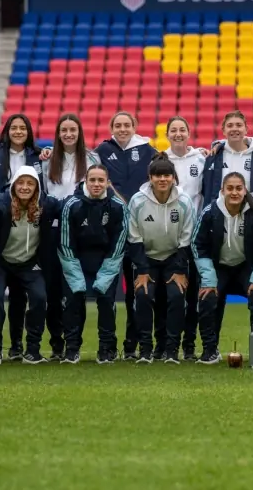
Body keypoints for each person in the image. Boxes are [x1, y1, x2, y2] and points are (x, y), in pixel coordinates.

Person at [33, 113, 99, 361]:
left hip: (80, 232)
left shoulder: (92, 158)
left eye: (73, 130)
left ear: (80, 132)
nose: (69, 134)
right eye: (64, 130)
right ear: (58, 134)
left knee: (74, 290)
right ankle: (56, 343)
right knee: (52, 290)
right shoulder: (47, 160)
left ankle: (74, 342)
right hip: (52, 231)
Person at [95, 111, 157, 360]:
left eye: (126, 125)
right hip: (109, 229)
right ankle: (107, 345)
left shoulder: (148, 151)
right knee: (108, 290)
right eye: (117, 125)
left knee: (135, 292)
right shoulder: (101, 150)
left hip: (139, 230)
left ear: (134, 127)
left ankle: (133, 345)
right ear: (111, 127)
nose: (122, 129)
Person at [192, 172, 253, 365]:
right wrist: (208, 278)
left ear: (245, 191)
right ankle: (210, 350)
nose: (234, 192)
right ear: (222, 191)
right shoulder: (210, 212)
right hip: (218, 267)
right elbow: (197, 245)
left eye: (238, 188)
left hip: (247, 267)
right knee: (207, 298)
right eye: (230, 188)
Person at [127, 153, 196, 364]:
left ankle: (171, 349)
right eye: (158, 176)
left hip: (174, 259)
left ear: (174, 177)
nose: (162, 179)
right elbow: (134, 237)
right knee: (144, 296)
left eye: (167, 175)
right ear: (150, 178)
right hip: (146, 259)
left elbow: (187, 238)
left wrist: (179, 270)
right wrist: (142, 270)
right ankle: (146, 350)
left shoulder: (184, 201)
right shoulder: (137, 201)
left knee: (176, 297)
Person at [0, 166, 58, 364]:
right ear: (13, 185)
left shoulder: (47, 205)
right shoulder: (1, 205)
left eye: (30, 183)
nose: (25, 187)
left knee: (39, 297)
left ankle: (31, 349)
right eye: (21, 182)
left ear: (37, 187)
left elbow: (70, 205)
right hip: (1, 262)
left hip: (29, 263)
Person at [58, 164, 129, 364]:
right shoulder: (71, 205)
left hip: (106, 261)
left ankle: (107, 348)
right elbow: (65, 242)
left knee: (106, 301)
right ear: (86, 182)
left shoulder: (118, 206)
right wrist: (74, 273)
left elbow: (119, 242)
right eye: (92, 180)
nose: (96, 184)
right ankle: (72, 348)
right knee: (73, 301)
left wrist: (107, 272)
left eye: (100, 180)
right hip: (76, 261)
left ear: (107, 182)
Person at [165, 116, 206, 360]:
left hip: (196, 237)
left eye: (182, 129)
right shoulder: (160, 160)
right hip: (168, 237)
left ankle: (189, 345)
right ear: (168, 134)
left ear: (189, 133)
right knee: (172, 295)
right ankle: (166, 345)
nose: (178, 134)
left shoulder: (201, 159)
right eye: (174, 130)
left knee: (193, 295)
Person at [203, 111, 253, 203]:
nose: (234, 129)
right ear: (223, 130)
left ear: (246, 129)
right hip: (221, 214)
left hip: (252, 213)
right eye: (230, 125)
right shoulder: (214, 156)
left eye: (238, 125)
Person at [0, 114, 44, 195]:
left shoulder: (39, 155)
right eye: (13, 128)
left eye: (23, 128)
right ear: (7, 131)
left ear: (28, 132)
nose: (18, 132)